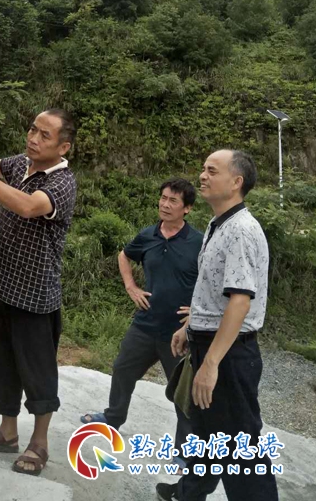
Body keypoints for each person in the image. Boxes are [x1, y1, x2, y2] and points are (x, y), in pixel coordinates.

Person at [156, 150, 279, 501]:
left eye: (212, 170)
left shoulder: (240, 230)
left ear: (236, 182)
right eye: (203, 169)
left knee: (241, 447)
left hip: (228, 353)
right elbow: (214, 290)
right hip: (210, 343)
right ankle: (188, 492)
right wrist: (191, 326)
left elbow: (240, 301)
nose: (203, 176)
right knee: (208, 432)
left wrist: (211, 364)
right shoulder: (218, 223)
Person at [0, 109, 77, 477]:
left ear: (63, 147)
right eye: (32, 129)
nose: (33, 138)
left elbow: (27, 206)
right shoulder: (21, 164)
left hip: (35, 296)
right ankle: (7, 432)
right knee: (2, 364)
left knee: (38, 372)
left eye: (45, 135)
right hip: (2, 287)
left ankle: (39, 444)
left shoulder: (62, 183)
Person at [81, 179, 203, 472]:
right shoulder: (148, 235)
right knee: (123, 369)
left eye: (173, 201)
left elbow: (214, 279)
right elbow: (124, 255)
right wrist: (130, 286)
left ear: (187, 208)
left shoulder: (199, 242)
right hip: (145, 324)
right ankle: (113, 418)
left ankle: (184, 451)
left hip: (178, 332)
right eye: (163, 198)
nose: (165, 204)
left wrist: (199, 312)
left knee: (182, 391)